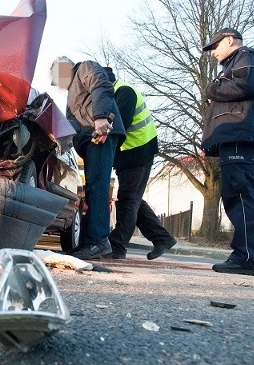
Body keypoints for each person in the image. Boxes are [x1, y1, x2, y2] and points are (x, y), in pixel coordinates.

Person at [201, 27, 254, 276]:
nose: (213, 52)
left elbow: (245, 85)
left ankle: (245, 256)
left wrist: (212, 89)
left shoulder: (247, 58)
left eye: (215, 46)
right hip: (239, 135)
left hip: (240, 134)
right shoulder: (237, 63)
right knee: (247, 194)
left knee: (239, 194)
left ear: (230, 40)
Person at [103, 67, 177, 260]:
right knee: (133, 197)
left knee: (128, 199)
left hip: (137, 152)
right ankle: (162, 238)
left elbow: (119, 126)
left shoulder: (124, 91)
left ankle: (117, 246)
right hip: (135, 152)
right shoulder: (119, 90)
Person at [58, 58, 124, 260]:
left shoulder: (85, 68)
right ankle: (91, 241)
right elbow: (73, 123)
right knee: (93, 187)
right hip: (90, 140)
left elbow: (101, 86)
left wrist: (101, 117)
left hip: (100, 134)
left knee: (97, 187)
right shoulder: (72, 93)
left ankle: (98, 242)